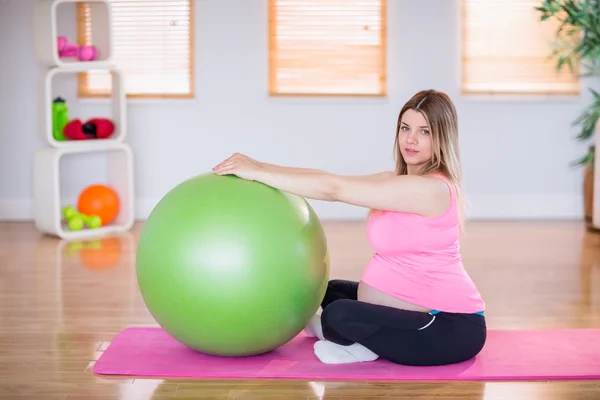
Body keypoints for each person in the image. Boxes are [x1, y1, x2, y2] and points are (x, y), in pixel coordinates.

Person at [212, 89, 486, 366]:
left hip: (449, 327)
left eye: (424, 131)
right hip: (408, 308)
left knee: (338, 314)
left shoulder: (430, 189)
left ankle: (358, 346)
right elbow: (330, 178)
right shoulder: (395, 180)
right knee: (330, 291)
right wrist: (258, 166)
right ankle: (357, 338)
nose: (411, 139)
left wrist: (258, 173)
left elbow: (334, 189)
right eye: (405, 128)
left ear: (442, 137)